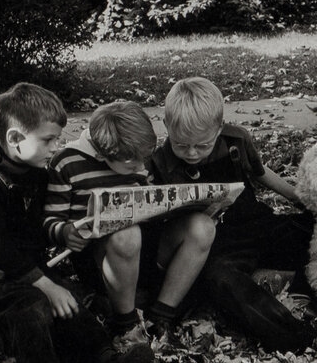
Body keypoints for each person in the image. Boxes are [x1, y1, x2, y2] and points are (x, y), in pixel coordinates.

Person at [0, 83, 154, 363]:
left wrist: (64, 233)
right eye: (48, 140)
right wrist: (48, 286)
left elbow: (37, 229)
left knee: (72, 303)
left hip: (30, 267)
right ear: (15, 139)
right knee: (32, 304)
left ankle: (106, 358)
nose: (55, 147)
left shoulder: (35, 174)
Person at [150, 77, 317, 357]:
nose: (191, 153)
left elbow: (260, 174)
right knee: (221, 281)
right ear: (166, 126)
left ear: (219, 128)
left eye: (201, 146)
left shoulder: (236, 140)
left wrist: (301, 199)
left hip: (257, 224)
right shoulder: (158, 163)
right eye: (181, 145)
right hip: (217, 246)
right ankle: (300, 337)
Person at [44, 100, 216, 344]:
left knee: (202, 226)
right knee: (127, 234)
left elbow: (149, 198)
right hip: (103, 259)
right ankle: (126, 324)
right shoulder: (67, 163)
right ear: (103, 155)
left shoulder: (138, 158)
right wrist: (64, 232)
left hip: (145, 251)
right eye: (132, 164)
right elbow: (51, 219)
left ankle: (162, 315)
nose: (141, 166)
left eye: (143, 160)